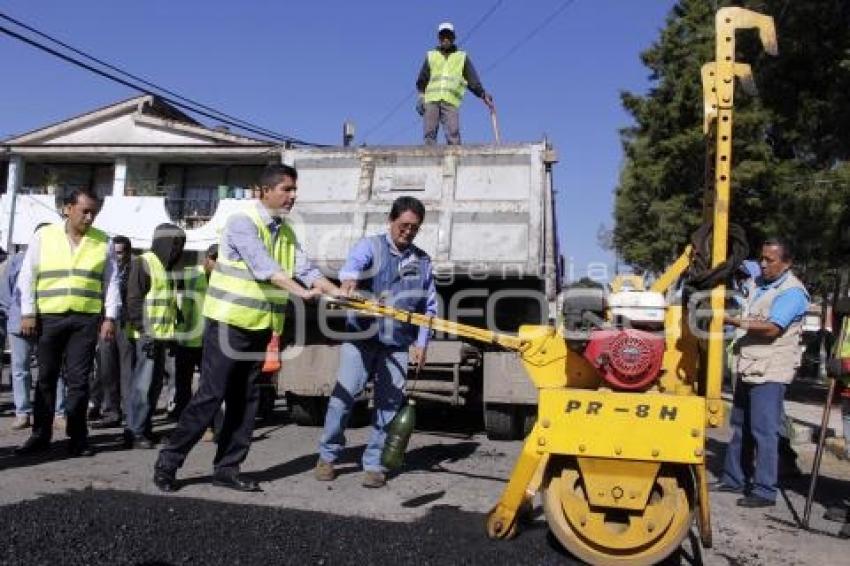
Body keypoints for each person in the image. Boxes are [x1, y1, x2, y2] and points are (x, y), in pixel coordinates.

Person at [154, 163, 343, 492]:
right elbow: (263, 267)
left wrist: (336, 291)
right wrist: (302, 293)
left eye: (295, 190)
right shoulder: (242, 223)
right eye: (286, 189)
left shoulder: (285, 233)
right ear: (265, 191)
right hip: (228, 324)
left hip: (260, 327)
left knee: (246, 401)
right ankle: (169, 461)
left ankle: (227, 468)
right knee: (211, 395)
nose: (292, 196)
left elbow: (306, 269)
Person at [316, 196, 438, 488]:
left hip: (397, 342)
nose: (408, 231)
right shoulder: (370, 246)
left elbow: (429, 307)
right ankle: (328, 456)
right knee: (343, 398)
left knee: (389, 404)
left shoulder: (422, 261)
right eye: (404, 225)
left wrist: (422, 343)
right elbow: (353, 266)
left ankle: (375, 463)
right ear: (391, 221)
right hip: (360, 337)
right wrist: (348, 282)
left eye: (414, 228)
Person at [14, 188, 119, 457]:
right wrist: (28, 313)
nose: (89, 216)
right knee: (46, 378)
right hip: (49, 317)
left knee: (79, 380)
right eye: (84, 210)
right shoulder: (44, 236)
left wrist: (110, 317)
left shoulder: (102, 241)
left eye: (93, 212)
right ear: (67, 209)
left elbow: (111, 282)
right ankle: (40, 435)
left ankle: (77, 437)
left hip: (85, 319)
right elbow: (27, 276)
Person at [714, 238, 810, 507]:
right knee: (740, 427)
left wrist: (734, 320)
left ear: (787, 263)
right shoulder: (759, 285)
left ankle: (765, 490)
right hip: (749, 367)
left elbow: (772, 328)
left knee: (764, 431)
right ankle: (734, 478)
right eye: (763, 259)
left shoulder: (792, 292)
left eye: (770, 260)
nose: (764, 265)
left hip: (771, 371)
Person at [123, 223, 185, 449]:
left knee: (154, 386)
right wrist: (144, 330)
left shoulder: (166, 268)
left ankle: (144, 427)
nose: (178, 248)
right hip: (146, 337)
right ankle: (134, 430)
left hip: (161, 337)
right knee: (142, 385)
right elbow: (134, 300)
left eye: (181, 244)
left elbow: (166, 304)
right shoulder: (144, 262)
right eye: (175, 243)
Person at [1, 223, 66, 430]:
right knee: (20, 369)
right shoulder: (17, 260)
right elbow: (6, 293)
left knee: (54, 369)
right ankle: (23, 412)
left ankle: (59, 412)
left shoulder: (60, 260)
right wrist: (16, 314)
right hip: (19, 322)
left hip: (49, 322)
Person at [415, 21, 494, 145]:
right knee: (429, 133)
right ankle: (430, 162)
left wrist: (483, 94)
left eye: (448, 36)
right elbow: (421, 80)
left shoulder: (461, 57)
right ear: (439, 38)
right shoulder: (431, 56)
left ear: (453, 37)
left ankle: (455, 162)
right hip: (431, 100)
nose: (445, 39)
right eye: (443, 36)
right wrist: (420, 97)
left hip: (450, 102)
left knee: (453, 133)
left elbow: (472, 79)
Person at [169, 243, 218, 421]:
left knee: (206, 381)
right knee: (183, 380)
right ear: (206, 258)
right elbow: (174, 299)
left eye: (219, 260)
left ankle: (204, 415)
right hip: (187, 337)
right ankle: (181, 410)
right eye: (213, 259)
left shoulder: (220, 278)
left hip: (208, 339)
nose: (216, 263)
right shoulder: (189, 273)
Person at [90, 234, 133, 428]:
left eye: (121, 253)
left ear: (128, 253)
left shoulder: (135, 270)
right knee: (106, 369)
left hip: (126, 325)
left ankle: (128, 412)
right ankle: (110, 411)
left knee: (126, 371)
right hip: (106, 324)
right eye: (114, 253)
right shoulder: (104, 270)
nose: (117, 256)